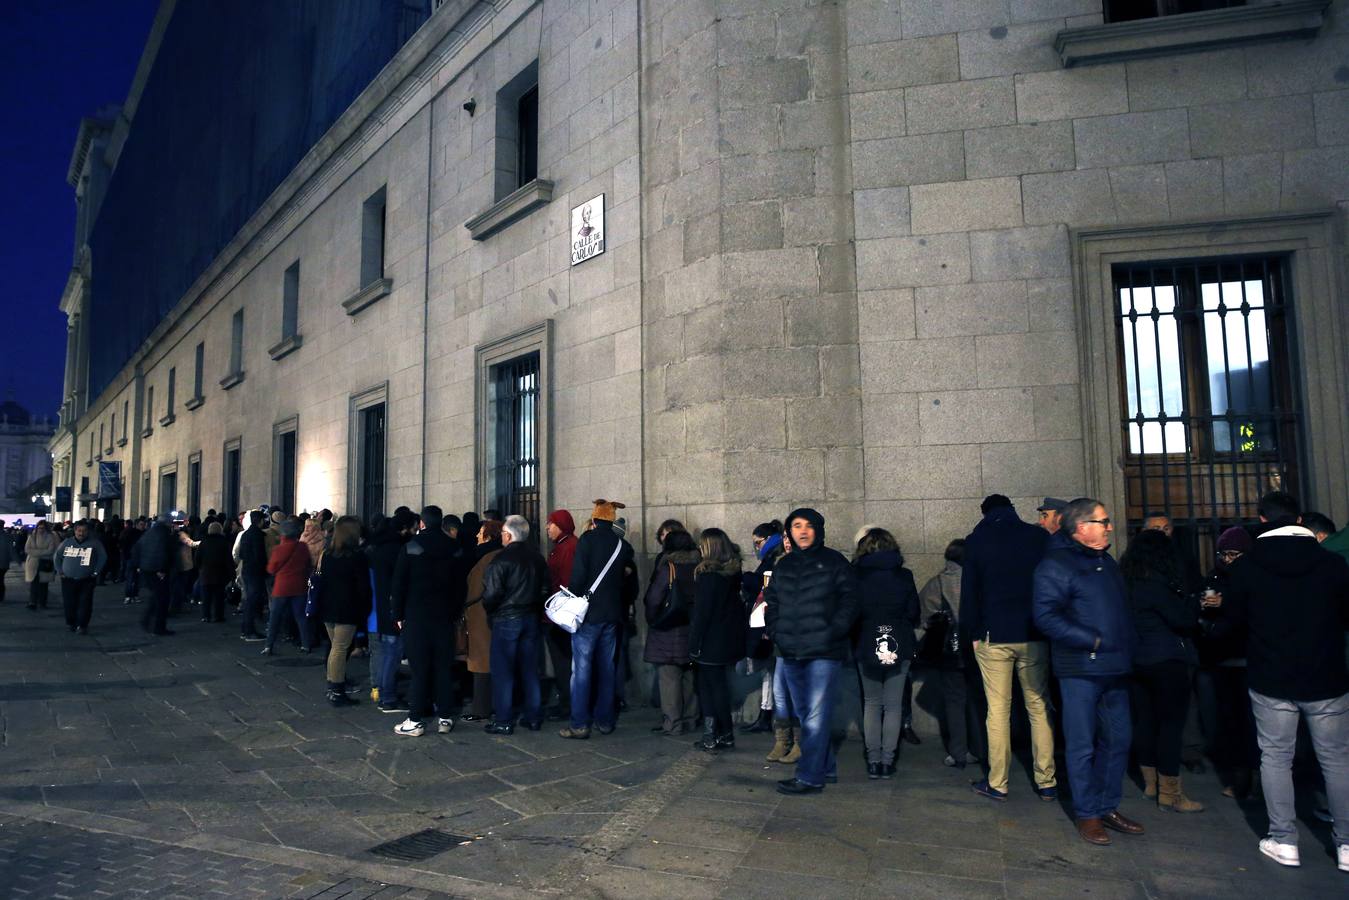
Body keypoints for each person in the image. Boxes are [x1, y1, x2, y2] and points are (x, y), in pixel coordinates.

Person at [1221, 491, 1349, 871]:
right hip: (1326, 676)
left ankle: (1284, 840)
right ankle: (1346, 844)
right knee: (1336, 760)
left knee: (1276, 757)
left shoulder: (1248, 567)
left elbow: (1232, 622)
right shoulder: (1333, 564)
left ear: (1262, 519)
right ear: (1300, 519)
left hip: (1271, 677)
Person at [1034, 497, 1142, 846]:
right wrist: (1091, 640)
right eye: (1103, 521)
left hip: (1114, 667)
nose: (1110, 526)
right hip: (1080, 669)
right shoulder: (1055, 564)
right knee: (1081, 745)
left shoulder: (1105, 561)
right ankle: (1087, 813)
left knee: (1118, 739)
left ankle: (1107, 806)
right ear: (1082, 528)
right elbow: (1046, 616)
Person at [962, 494, 1057, 803]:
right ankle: (1047, 781)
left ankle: (998, 782)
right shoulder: (1038, 537)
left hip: (993, 635)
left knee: (998, 710)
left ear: (985, 513)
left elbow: (970, 592)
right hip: (1033, 633)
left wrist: (972, 633)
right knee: (1038, 707)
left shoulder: (977, 541)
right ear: (1013, 509)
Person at [764, 507, 859, 795]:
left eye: (808, 525)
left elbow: (851, 600)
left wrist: (833, 631)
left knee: (816, 715)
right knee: (805, 713)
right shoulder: (784, 565)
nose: (803, 531)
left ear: (818, 529)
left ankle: (809, 776)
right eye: (796, 526)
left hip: (823, 651)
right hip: (791, 649)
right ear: (789, 532)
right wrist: (777, 630)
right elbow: (772, 601)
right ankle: (825, 766)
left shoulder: (834, 562)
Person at [1120, 529, 1203, 813]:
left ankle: (1150, 784)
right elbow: (1182, 620)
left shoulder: (1126, 583)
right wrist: (1194, 602)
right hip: (1166, 660)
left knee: (1145, 721)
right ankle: (1171, 793)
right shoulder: (1158, 585)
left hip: (1136, 660)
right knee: (1170, 726)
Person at [559, 499, 635, 739]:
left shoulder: (587, 540)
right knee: (607, 668)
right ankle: (605, 721)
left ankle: (580, 724)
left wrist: (571, 597)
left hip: (589, 614)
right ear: (611, 520)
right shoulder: (622, 545)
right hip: (612, 614)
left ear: (594, 519)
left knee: (581, 670)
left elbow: (579, 576)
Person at [851, 527, 919, 779]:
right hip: (899, 640)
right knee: (893, 705)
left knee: (871, 703)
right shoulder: (904, 575)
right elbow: (913, 612)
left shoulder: (856, 575)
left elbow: (851, 613)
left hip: (866, 641)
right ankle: (888, 762)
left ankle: (873, 761)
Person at [391, 506, 464, 737]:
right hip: (444, 617)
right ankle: (445, 717)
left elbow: (399, 584)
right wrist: (455, 613)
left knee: (419, 669)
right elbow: (460, 586)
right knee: (443, 668)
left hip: (417, 617)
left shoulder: (411, 547)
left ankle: (415, 719)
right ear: (441, 522)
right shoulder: (454, 548)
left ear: (422, 523)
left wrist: (398, 615)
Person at [1196, 526, 1258, 798]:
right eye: (1223, 554)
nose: (1228, 559)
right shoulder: (1215, 577)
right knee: (1230, 721)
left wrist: (1225, 605)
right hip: (1223, 658)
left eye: (1233, 554)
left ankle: (1254, 779)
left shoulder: (1252, 577)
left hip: (1247, 658)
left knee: (1250, 722)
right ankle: (1239, 778)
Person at [480, 514, 549, 734]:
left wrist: (492, 611)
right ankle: (533, 717)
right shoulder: (538, 558)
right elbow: (545, 589)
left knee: (503, 671)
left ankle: (503, 719)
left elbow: (491, 594)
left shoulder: (500, 560)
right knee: (530, 669)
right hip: (531, 617)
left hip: (506, 618)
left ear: (508, 535)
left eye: (502, 533)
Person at [918, 538, 981, 769]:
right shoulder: (979, 580)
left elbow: (925, 617)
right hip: (978, 649)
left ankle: (958, 753)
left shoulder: (937, 583)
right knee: (977, 701)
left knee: (954, 702)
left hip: (950, 652)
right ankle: (979, 749)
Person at [688, 528, 745, 752]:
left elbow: (702, 615)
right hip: (727, 641)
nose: (699, 549)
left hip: (710, 642)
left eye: (702, 545)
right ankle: (725, 734)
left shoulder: (708, 577)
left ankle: (711, 735)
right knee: (720, 687)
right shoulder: (732, 574)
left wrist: (693, 645)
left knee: (708, 689)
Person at [644, 529, 700, 736]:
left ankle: (673, 723)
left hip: (669, 630)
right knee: (690, 677)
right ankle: (691, 719)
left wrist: (654, 619)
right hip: (692, 628)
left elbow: (653, 599)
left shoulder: (669, 568)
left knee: (669, 678)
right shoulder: (699, 567)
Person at [318, 516, 371, 707]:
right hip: (347, 608)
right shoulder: (357, 557)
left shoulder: (327, 554)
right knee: (339, 649)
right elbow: (363, 587)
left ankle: (333, 687)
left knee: (336, 648)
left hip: (328, 607)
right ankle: (336, 691)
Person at [369, 510, 415, 712]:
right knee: (392, 652)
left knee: (387, 652)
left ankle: (382, 691)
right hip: (394, 608)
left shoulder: (378, 547)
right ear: (404, 528)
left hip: (382, 606)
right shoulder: (397, 550)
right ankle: (387, 697)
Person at [743, 521, 784, 735]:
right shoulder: (771, 559)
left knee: (773, 672)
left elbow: (765, 588)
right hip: (770, 622)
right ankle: (766, 714)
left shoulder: (773, 561)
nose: (756, 547)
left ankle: (770, 717)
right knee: (769, 672)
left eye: (758, 543)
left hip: (772, 623)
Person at [463, 519, 504, 722]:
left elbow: (474, 589)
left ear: (489, 536)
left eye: (481, 532)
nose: (477, 536)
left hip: (482, 615)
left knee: (481, 663)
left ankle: (481, 708)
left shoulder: (484, 557)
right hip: (497, 615)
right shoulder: (501, 554)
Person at [544, 509, 579, 720]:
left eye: (551, 523)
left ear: (561, 525)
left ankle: (567, 704)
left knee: (563, 662)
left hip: (561, 616)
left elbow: (565, 583)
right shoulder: (564, 546)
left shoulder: (568, 548)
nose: (547, 527)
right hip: (559, 614)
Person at [264, 518, 312, 654]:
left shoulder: (278, 549)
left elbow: (271, 569)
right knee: (301, 617)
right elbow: (308, 565)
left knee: (275, 617)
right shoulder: (303, 547)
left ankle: (268, 646)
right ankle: (306, 645)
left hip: (282, 587)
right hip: (300, 586)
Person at [54, 520, 107, 634]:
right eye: (79, 530)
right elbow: (57, 556)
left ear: (88, 532)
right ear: (75, 531)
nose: (81, 533)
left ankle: (82, 625)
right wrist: (60, 571)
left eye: (84, 531)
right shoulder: (67, 542)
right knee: (69, 603)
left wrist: (96, 572)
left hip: (87, 579)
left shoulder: (94, 543)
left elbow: (103, 557)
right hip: (68, 579)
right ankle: (71, 623)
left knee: (85, 603)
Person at [135, 514, 180, 635]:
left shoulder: (150, 532)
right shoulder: (164, 534)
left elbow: (138, 548)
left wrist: (139, 565)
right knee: (162, 599)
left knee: (156, 597)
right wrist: (162, 569)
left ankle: (147, 621)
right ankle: (158, 627)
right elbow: (165, 552)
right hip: (158, 570)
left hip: (147, 569)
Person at [234, 511, 269, 641]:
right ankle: (250, 632)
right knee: (252, 601)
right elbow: (260, 555)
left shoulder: (246, 534)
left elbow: (241, 554)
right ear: (260, 521)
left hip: (247, 570)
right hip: (255, 572)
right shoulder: (258, 535)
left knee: (248, 601)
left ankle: (246, 630)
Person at [196, 522, 235, 624]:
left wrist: (200, 568)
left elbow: (197, 557)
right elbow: (229, 560)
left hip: (206, 573)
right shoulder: (224, 542)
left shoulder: (204, 542)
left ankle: (206, 616)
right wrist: (232, 575)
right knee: (219, 596)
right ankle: (218, 616)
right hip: (220, 573)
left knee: (206, 597)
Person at [23, 521, 59, 611]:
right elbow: (27, 549)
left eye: (43, 528)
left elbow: (51, 550)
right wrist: (43, 552)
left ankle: (42, 602)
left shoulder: (51, 537)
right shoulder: (32, 536)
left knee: (44, 583)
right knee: (33, 583)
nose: (41, 530)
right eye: (39, 528)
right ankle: (32, 602)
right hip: (33, 563)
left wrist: (35, 552)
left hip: (45, 563)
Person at [0, 518, 13, 603]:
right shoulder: (7, 536)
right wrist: (17, 559)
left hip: (3, 562)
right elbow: (11, 550)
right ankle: (1, 597)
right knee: (1, 580)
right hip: (3, 563)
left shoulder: (7, 536)